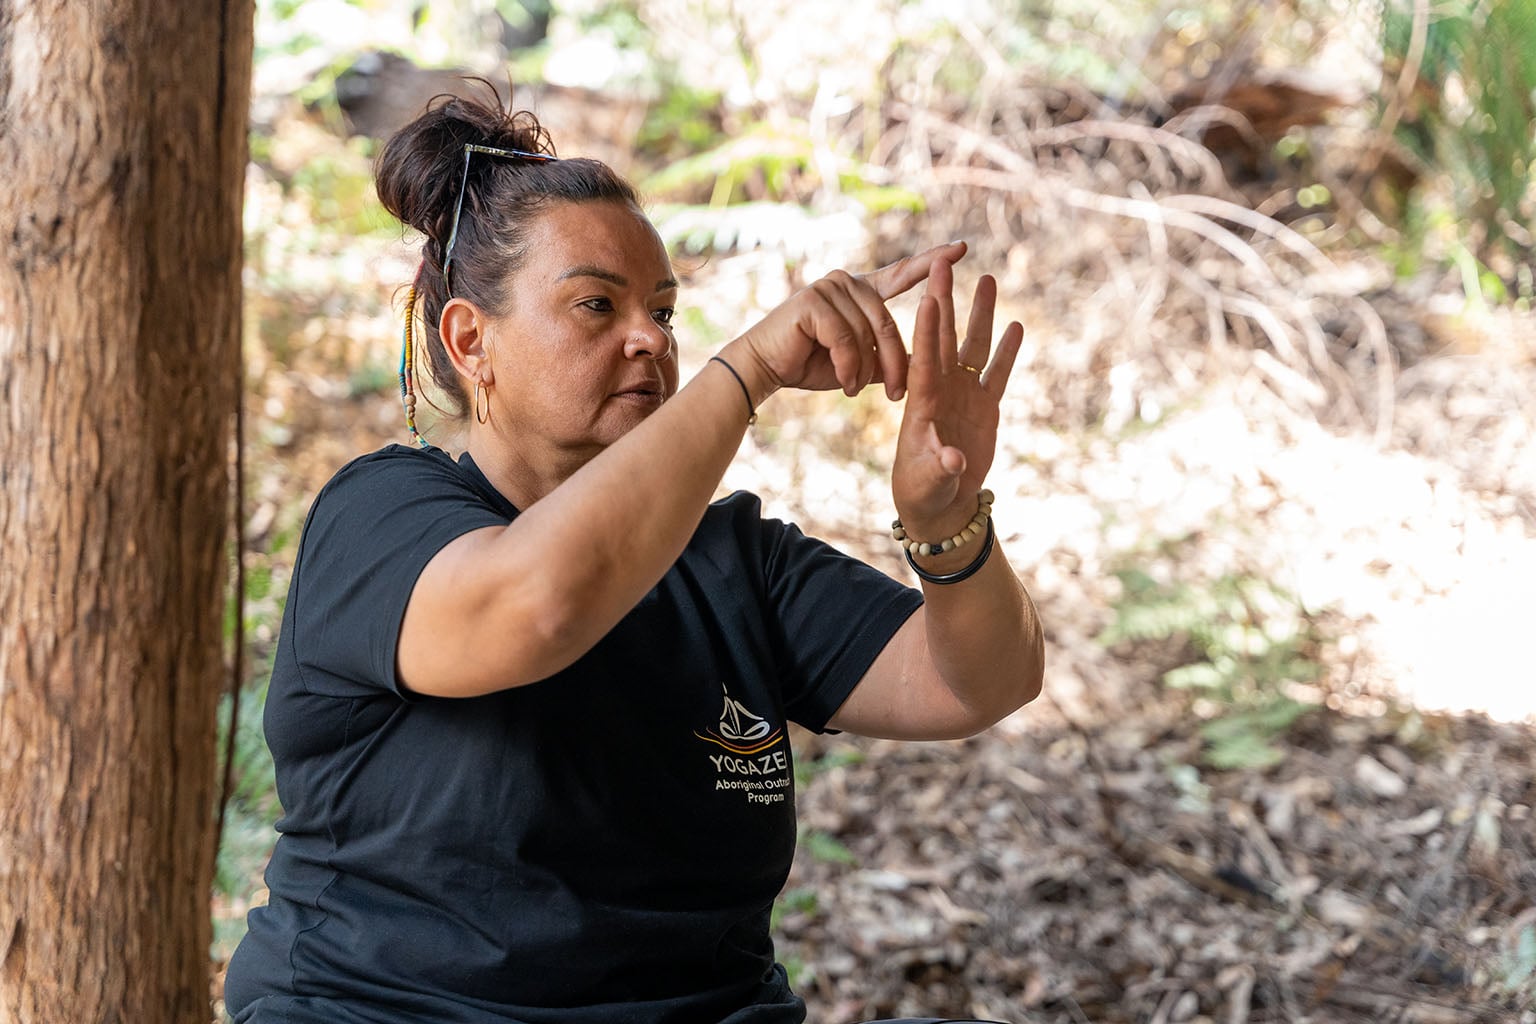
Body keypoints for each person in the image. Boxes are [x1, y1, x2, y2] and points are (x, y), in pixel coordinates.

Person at [223, 88, 1044, 1024]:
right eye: (595, 305)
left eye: (663, 309)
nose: (651, 337)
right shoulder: (380, 516)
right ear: (470, 341)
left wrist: (948, 524)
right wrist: (749, 371)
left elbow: (979, 682)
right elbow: (533, 609)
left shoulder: (734, 559)